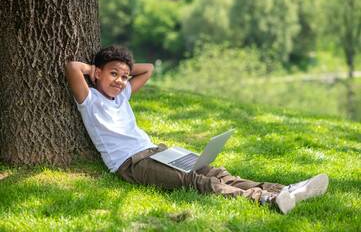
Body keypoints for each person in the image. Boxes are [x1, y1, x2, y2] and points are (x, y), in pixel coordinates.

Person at [65, 45, 329, 214]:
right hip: (131, 163)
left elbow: (149, 69)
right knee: (195, 181)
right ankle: (265, 199)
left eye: (124, 77)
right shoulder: (90, 101)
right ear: (97, 74)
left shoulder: (122, 95)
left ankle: (287, 188)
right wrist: (94, 70)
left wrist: (119, 68)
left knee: (213, 170)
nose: (121, 81)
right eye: (113, 74)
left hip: (156, 150)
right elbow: (72, 68)